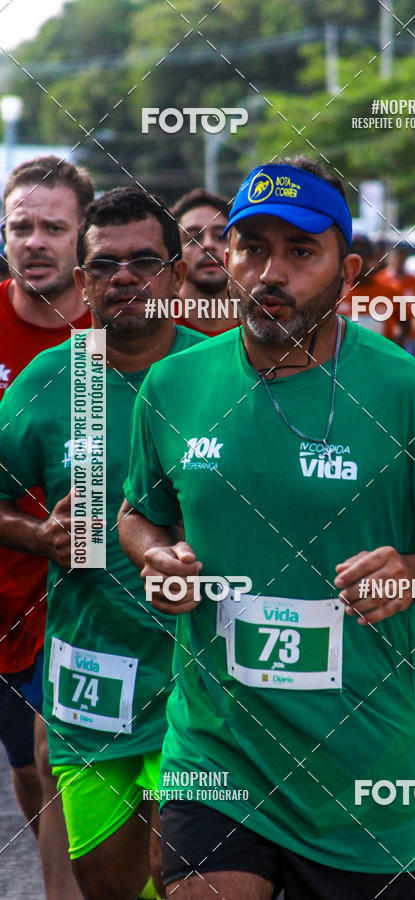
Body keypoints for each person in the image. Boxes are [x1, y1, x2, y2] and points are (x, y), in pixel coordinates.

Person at [118, 156, 415, 900]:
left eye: (301, 252)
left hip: (358, 771)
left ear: (350, 269)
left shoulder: (407, 395)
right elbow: (138, 513)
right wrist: (157, 557)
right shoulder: (175, 384)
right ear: (225, 257)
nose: (272, 272)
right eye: (252, 247)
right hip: (216, 749)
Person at [0, 187, 205, 899]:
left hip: (202, 679)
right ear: (83, 282)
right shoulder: (53, 379)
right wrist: (39, 534)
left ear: (178, 275)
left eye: (145, 262)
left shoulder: (228, 373)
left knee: (187, 872)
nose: (125, 278)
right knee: (111, 885)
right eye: (105, 265)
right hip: (94, 685)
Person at [0, 154, 93, 899]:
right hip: (5, 594)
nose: (33, 241)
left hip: (89, 598)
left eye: (52, 228)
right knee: (30, 771)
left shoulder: (121, 330)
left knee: (63, 758)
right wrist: (34, 537)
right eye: (19, 226)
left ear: (83, 238)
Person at [170, 187, 235, 335]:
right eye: (193, 238)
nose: (207, 245)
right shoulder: (151, 322)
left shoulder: (264, 322)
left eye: (220, 236)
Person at [380, 240, 415, 354]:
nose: (399, 259)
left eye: (403, 255)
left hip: (410, 336)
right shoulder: (380, 280)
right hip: (387, 336)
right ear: (389, 257)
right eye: (396, 254)